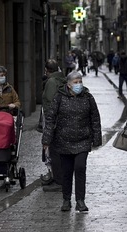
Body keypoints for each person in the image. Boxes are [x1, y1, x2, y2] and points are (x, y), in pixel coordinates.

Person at [42, 71, 102, 212]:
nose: (78, 84)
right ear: (68, 85)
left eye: (80, 81)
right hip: (63, 141)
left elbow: (95, 118)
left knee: (80, 168)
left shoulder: (88, 97)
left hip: (82, 140)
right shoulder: (59, 98)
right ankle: (66, 199)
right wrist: (47, 140)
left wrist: (96, 139)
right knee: (67, 171)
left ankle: (80, 200)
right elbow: (50, 119)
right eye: (75, 82)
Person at [41, 59, 67, 192]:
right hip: (60, 120)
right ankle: (58, 177)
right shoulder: (61, 79)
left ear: (47, 70)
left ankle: (58, 180)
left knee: (53, 150)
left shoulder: (51, 82)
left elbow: (52, 102)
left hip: (54, 121)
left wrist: (50, 123)